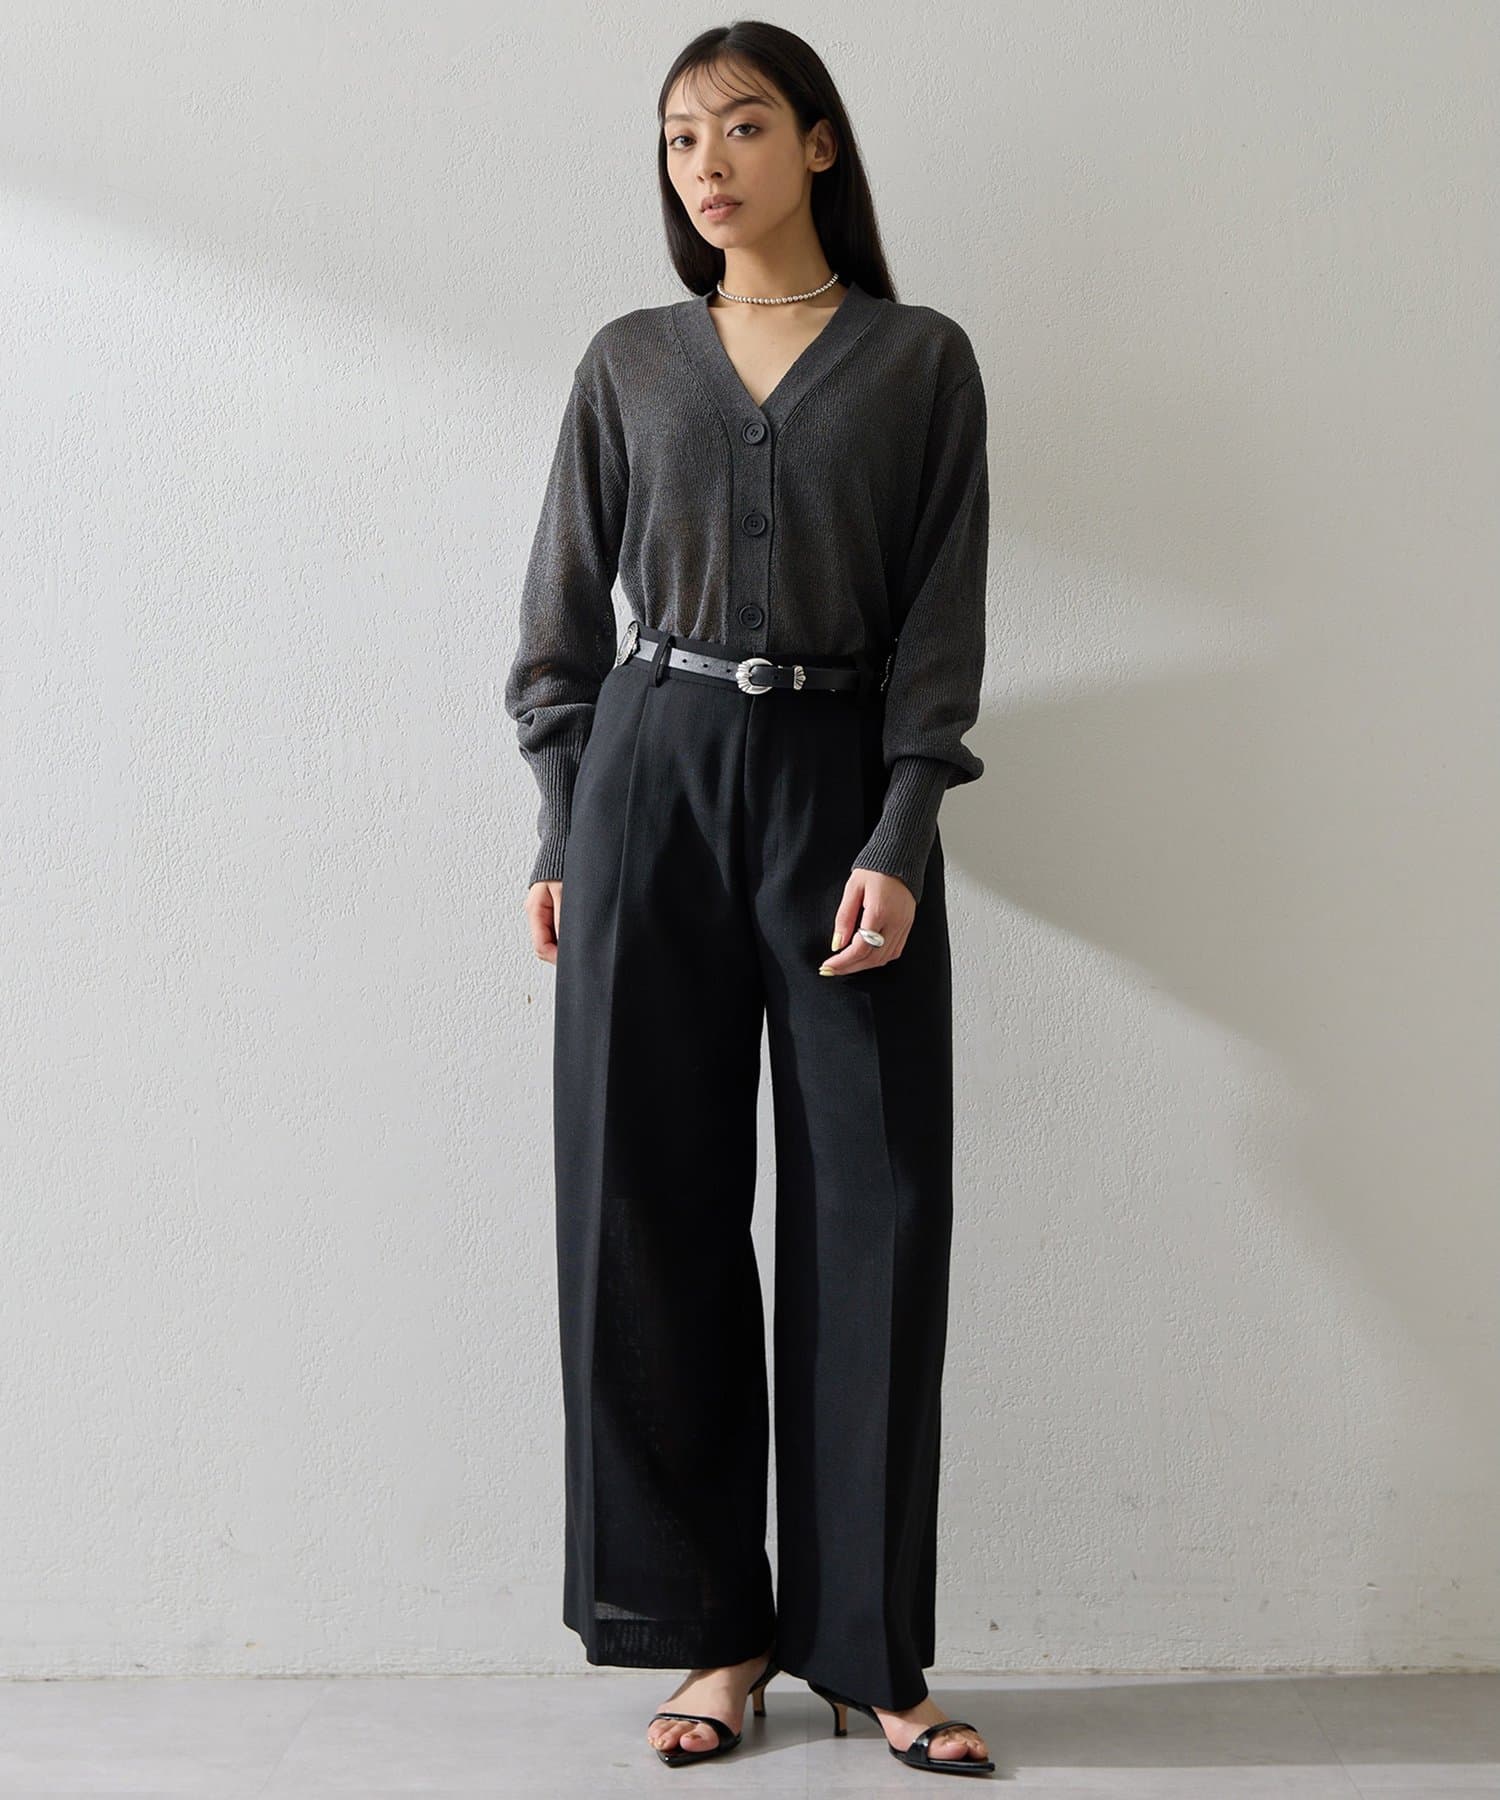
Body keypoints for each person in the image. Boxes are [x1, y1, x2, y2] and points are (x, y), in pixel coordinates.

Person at [504, 20, 995, 1780]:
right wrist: (567, 830)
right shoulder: (629, 360)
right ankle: (714, 1634)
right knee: (647, 1205)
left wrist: (903, 831)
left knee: (876, 1208)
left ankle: (871, 1651)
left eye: (741, 127)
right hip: (651, 779)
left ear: (819, 145)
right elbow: (560, 627)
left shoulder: (919, 360)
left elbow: (941, 624)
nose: (704, 164)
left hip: (842, 789)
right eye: (677, 139)